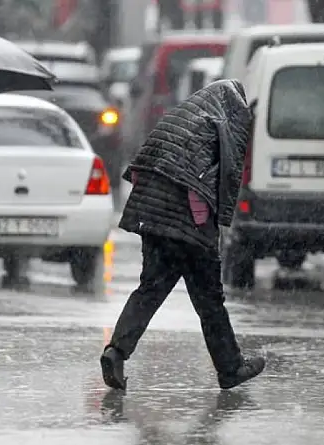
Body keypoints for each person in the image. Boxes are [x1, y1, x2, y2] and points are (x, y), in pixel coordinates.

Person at [100, 79, 265, 391]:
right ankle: (230, 368)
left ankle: (116, 351)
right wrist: (211, 228)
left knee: (150, 290)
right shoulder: (221, 123)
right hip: (189, 224)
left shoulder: (180, 118)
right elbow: (219, 177)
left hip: (153, 217)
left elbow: (139, 167)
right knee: (210, 301)